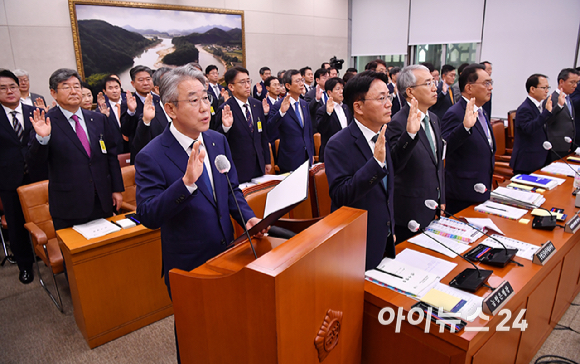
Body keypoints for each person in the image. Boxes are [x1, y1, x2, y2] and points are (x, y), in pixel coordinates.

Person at [134, 65, 265, 363]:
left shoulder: (217, 139)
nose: (205, 108)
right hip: (189, 267)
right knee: (196, 340)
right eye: (193, 101)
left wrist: (248, 218)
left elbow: (232, 189)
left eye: (206, 98)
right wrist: (185, 184)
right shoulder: (151, 155)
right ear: (170, 108)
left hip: (228, 255)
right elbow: (149, 215)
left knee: (229, 332)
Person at [325, 71, 419, 270]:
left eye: (389, 96)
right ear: (358, 107)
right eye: (381, 98)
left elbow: (390, 176)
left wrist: (410, 135)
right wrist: (375, 164)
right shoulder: (338, 144)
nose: (389, 104)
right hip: (357, 243)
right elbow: (341, 195)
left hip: (384, 235)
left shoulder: (382, 133)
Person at [28, 68, 124, 231]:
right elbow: (34, 164)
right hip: (69, 205)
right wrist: (42, 138)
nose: (73, 91)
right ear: (53, 92)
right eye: (66, 87)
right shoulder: (46, 122)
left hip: (102, 200)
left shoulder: (98, 119)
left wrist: (117, 189)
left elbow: (111, 157)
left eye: (77, 86)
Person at [387, 65, 445, 242]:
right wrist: (410, 134)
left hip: (432, 205)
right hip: (410, 211)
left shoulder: (433, 119)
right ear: (410, 92)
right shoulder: (397, 123)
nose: (435, 87)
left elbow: (438, 162)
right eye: (428, 83)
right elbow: (394, 165)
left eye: (434, 82)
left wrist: (441, 195)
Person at [0, 70, 40, 284]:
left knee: (42, 219)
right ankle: (25, 265)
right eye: (3, 88)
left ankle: (44, 254)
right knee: (16, 225)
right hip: (9, 180)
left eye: (12, 86)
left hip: (37, 177)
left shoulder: (34, 111)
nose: (9, 91)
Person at [441, 64, 495, 214]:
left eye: (491, 83)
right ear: (469, 88)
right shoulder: (456, 113)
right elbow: (445, 148)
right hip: (462, 193)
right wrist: (464, 128)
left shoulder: (481, 111)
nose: (490, 88)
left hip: (481, 187)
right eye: (486, 83)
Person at [216, 67, 271, 183]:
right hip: (238, 168)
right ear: (231, 87)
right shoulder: (225, 109)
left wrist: (267, 160)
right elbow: (218, 142)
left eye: (248, 81)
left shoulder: (257, 105)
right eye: (242, 82)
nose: (247, 86)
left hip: (259, 165)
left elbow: (263, 136)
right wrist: (226, 128)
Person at [267, 69, 314, 173]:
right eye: (297, 81)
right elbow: (270, 130)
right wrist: (281, 113)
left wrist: (311, 153)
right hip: (290, 159)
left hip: (307, 156)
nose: (302, 84)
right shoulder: (279, 105)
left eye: (302, 80)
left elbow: (309, 130)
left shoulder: (304, 104)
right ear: (288, 86)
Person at [510, 74, 556, 175]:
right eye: (544, 88)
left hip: (539, 158)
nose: (547, 91)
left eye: (548, 88)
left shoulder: (539, 106)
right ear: (532, 89)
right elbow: (529, 129)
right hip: (527, 161)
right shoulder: (525, 108)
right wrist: (546, 113)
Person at [132, 68, 172, 158]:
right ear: (157, 90)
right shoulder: (149, 117)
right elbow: (139, 148)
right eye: (169, 84)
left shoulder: (186, 112)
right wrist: (146, 121)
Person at [121, 65, 157, 164]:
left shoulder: (160, 100)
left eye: (148, 79)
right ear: (133, 83)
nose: (145, 83)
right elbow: (126, 131)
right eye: (141, 80)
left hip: (162, 151)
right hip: (141, 153)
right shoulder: (128, 103)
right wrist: (131, 111)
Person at [544, 68, 579, 162]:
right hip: (556, 147)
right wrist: (559, 106)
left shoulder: (569, 98)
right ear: (561, 82)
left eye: (577, 82)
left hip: (568, 145)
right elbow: (547, 121)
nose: (575, 86)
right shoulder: (552, 99)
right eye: (572, 82)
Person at [315, 77, 352, 162]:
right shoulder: (322, 110)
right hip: (331, 152)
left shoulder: (346, 108)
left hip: (347, 151)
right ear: (329, 92)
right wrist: (328, 113)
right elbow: (321, 129)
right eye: (338, 89)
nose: (341, 92)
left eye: (342, 88)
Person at [96, 75, 128, 155]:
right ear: (104, 91)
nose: (114, 91)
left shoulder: (130, 104)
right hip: (114, 149)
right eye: (110, 88)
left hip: (132, 146)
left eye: (116, 87)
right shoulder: (101, 109)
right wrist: (103, 116)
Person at [304, 68, 330, 132]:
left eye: (328, 78)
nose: (327, 80)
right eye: (324, 78)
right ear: (317, 80)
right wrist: (316, 100)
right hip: (318, 129)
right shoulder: (310, 94)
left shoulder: (330, 92)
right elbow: (307, 110)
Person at [264, 76, 281, 143]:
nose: (278, 87)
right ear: (268, 88)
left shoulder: (283, 102)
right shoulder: (264, 104)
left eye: (279, 85)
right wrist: (265, 113)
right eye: (274, 85)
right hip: (271, 140)